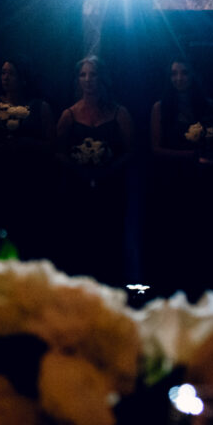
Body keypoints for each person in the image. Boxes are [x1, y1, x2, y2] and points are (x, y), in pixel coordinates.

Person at [146, 57, 213, 296]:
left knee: (203, 239)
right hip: (173, 181)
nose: (179, 78)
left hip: (205, 181)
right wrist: (191, 155)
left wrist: (210, 153)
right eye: (174, 74)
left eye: (184, 73)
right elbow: (155, 148)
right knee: (175, 239)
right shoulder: (160, 108)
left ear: (194, 75)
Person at [54, 56, 133, 284]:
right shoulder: (69, 115)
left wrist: (106, 170)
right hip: (77, 190)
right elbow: (58, 151)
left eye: (93, 74)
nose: (88, 79)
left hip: (111, 189)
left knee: (109, 243)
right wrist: (81, 169)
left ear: (103, 78)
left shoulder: (119, 113)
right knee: (78, 243)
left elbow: (130, 151)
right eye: (83, 75)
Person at [0, 56, 55, 258]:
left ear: (23, 78)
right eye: (3, 73)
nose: (5, 77)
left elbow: (53, 145)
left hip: (28, 180)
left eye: (11, 73)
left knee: (26, 234)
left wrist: (27, 144)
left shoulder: (39, 107)